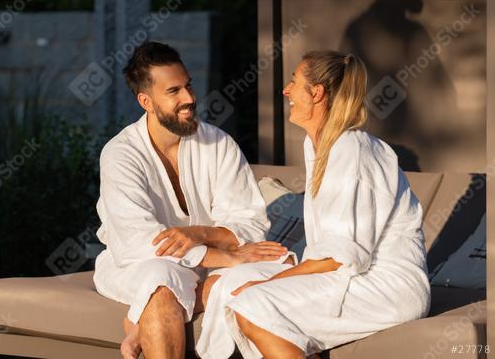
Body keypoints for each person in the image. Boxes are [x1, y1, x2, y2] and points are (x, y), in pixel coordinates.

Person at [197, 50, 431, 359]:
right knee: (231, 281)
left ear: (316, 92)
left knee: (254, 304)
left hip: (386, 287)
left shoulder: (352, 150)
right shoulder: (318, 145)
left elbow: (340, 257)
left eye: (293, 82)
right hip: (350, 274)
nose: (285, 91)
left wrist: (268, 284)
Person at [92, 41, 291, 359]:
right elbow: (139, 243)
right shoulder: (121, 155)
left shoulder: (218, 143)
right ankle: (144, 316)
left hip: (205, 267)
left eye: (188, 86)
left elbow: (251, 224)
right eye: (174, 91)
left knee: (275, 269)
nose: (189, 99)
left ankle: (137, 325)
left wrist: (197, 234)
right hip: (132, 266)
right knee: (160, 278)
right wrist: (227, 258)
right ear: (146, 101)